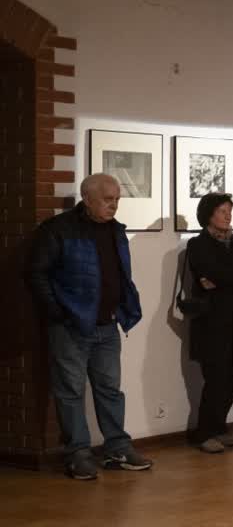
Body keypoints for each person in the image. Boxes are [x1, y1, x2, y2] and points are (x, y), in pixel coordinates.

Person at [27, 173, 153, 479]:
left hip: (108, 324)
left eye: (117, 199)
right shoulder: (58, 229)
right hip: (71, 326)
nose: (114, 205)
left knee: (110, 389)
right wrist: (58, 312)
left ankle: (117, 449)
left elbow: (119, 274)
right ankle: (78, 454)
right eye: (108, 199)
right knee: (70, 391)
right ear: (87, 198)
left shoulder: (116, 230)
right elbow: (36, 273)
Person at [184, 192, 233, 454]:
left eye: (229, 211)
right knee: (215, 379)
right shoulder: (197, 245)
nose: (228, 216)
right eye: (222, 211)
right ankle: (204, 433)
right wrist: (226, 277)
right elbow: (211, 272)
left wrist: (221, 280)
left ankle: (218, 428)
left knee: (232, 380)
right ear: (208, 215)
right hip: (211, 322)